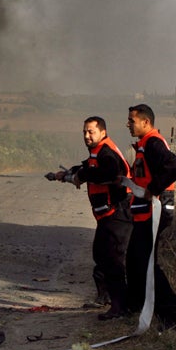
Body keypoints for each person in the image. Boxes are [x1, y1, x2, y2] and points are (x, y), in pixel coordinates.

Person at [54, 116, 133, 320]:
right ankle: (106, 298)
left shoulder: (107, 152)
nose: (87, 136)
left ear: (103, 132)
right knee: (101, 256)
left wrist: (83, 175)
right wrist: (67, 174)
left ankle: (120, 307)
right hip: (107, 216)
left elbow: (108, 172)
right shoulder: (97, 152)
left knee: (113, 260)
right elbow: (87, 167)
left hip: (118, 213)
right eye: (85, 132)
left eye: (91, 132)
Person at [125, 104, 176, 330]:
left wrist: (154, 188)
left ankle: (174, 319)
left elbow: (175, 167)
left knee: (147, 263)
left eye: (132, 121)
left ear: (146, 123)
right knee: (134, 259)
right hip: (145, 214)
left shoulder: (152, 143)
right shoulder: (144, 144)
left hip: (156, 212)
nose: (128, 124)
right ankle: (134, 306)